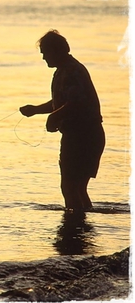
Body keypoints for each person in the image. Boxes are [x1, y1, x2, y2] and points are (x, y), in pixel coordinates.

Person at [19, 29, 105, 211]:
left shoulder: (72, 71)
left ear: (56, 50)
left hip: (84, 136)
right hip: (82, 136)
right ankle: (80, 228)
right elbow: (61, 102)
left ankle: (74, 229)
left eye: (45, 53)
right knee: (77, 188)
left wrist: (55, 116)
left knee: (71, 187)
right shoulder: (64, 70)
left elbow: (76, 102)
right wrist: (36, 110)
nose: (44, 58)